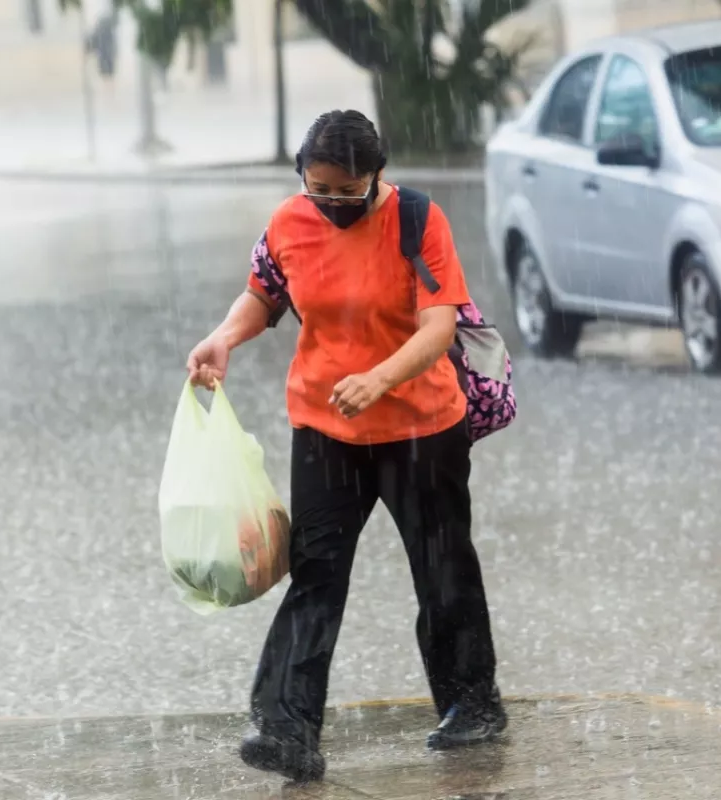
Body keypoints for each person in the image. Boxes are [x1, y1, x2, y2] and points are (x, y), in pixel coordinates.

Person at [186, 109, 505, 783]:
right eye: (318, 189)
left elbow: (438, 325)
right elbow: (263, 294)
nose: (331, 203)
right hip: (326, 427)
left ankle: (471, 704)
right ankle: (285, 726)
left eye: (345, 192)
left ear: (376, 177)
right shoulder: (287, 223)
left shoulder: (419, 222)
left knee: (442, 567)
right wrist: (224, 337)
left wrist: (380, 377)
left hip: (421, 427)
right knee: (315, 575)